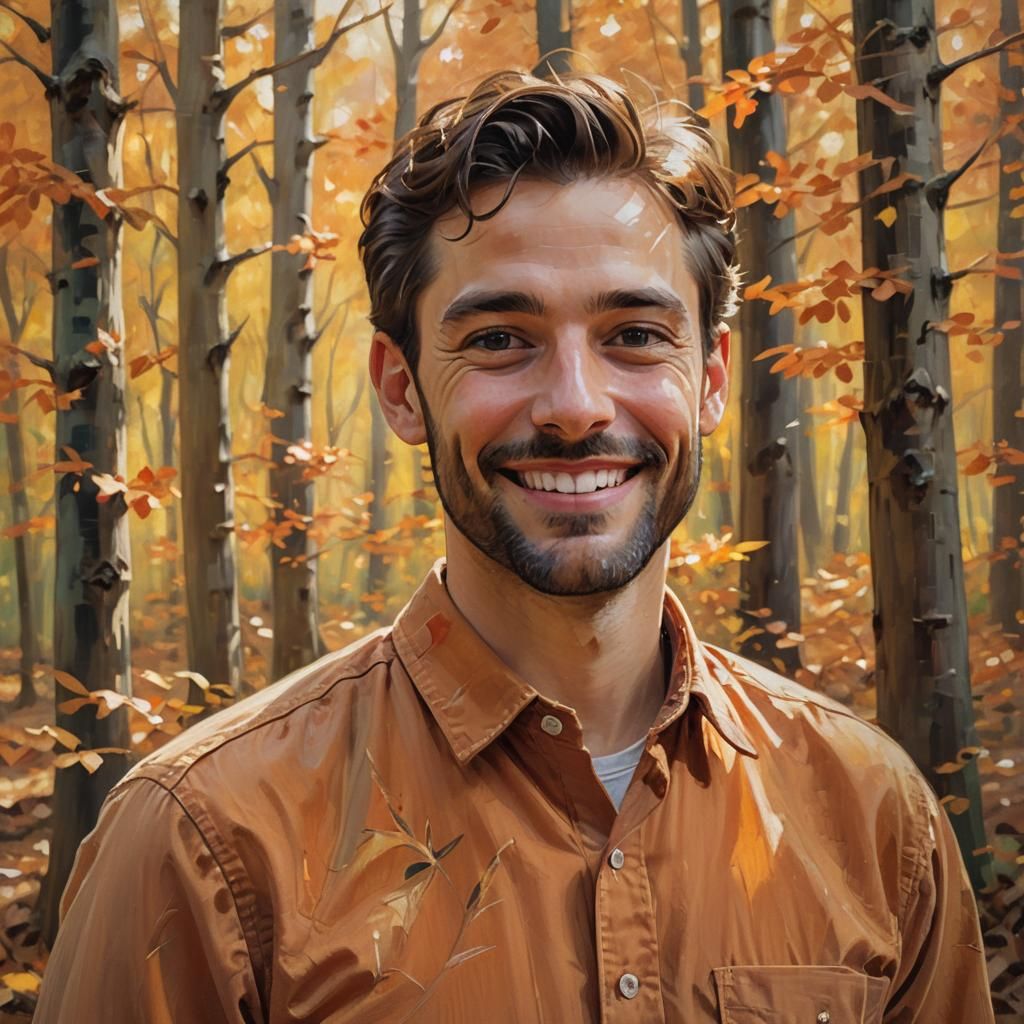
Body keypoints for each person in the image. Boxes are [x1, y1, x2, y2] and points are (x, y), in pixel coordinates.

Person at [36, 70, 993, 1023]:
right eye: (499, 338)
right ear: (403, 388)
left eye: (634, 334)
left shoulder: (873, 819)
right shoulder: (206, 842)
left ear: (709, 381)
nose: (576, 405)